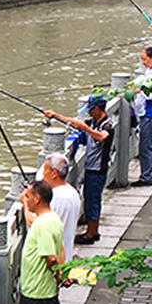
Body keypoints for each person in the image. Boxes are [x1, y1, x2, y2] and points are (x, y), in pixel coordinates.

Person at [43, 95, 112, 245]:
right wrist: (56, 115)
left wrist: (85, 128)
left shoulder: (107, 125)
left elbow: (101, 137)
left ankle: (91, 234)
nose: (89, 113)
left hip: (97, 169)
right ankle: (93, 231)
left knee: (92, 201)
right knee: (93, 200)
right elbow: (75, 122)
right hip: (92, 167)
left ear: (97, 109)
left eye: (90, 110)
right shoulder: (94, 121)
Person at [39, 152, 81, 304]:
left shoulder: (55, 198)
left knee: (47, 302)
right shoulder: (72, 192)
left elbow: (40, 223)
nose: (43, 175)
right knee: (53, 299)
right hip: (65, 253)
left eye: (45, 170)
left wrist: (26, 204)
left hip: (54, 256)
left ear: (54, 173)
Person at [129, 45, 152, 185]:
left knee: (146, 145)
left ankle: (147, 177)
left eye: (145, 59)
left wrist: (139, 90)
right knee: (151, 143)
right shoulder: (151, 69)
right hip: (147, 112)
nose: (143, 63)